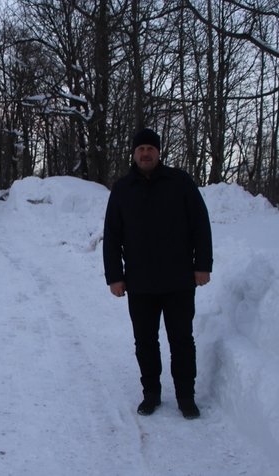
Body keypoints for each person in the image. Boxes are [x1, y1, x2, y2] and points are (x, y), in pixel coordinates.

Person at [103, 127, 213, 420]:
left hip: (178, 280)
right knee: (145, 342)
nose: (146, 153)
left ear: (159, 152)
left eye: (150, 148)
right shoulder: (123, 189)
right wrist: (115, 276)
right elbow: (112, 236)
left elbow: (201, 225)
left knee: (181, 340)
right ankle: (151, 393)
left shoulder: (180, 183)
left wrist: (203, 265)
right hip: (140, 283)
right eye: (141, 149)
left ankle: (185, 396)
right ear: (134, 153)